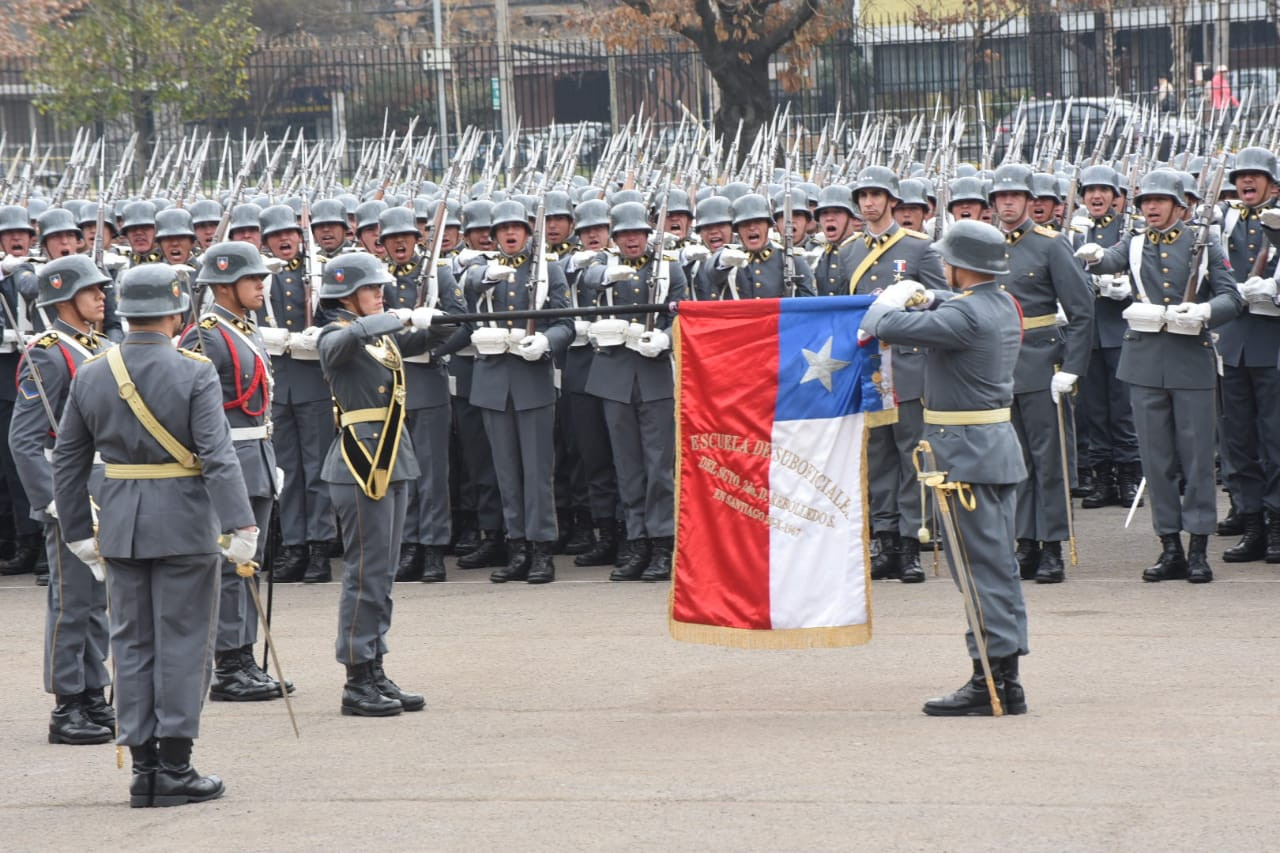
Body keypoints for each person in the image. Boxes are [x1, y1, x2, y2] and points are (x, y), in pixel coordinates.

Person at [52, 263, 257, 807]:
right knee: (184, 645)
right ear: (176, 310)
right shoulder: (193, 371)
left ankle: (143, 768)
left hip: (119, 524)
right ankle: (175, 766)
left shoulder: (93, 371)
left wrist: (77, 530)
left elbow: (69, 461)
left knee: (131, 644)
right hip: (186, 523)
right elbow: (217, 456)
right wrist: (241, 522)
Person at [860, 220, 1029, 716]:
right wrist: (928, 295)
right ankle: (1003, 678)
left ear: (960, 266)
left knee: (980, 573)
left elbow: (881, 324)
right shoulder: (999, 304)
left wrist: (892, 299)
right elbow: (950, 306)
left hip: (966, 457)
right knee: (997, 569)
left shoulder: (966, 318)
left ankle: (991, 683)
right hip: (989, 448)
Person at [1076, 169, 1243, 583]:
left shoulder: (1203, 244)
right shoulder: (1133, 244)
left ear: (1179, 206)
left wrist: (1205, 311)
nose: (1150, 208)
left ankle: (1198, 546)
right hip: (1146, 360)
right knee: (1157, 459)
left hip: (1190, 360)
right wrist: (1088, 250)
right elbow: (1107, 261)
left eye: (1159, 201)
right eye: (1144, 202)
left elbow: (1231, 297)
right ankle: (1169, 545)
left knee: (1198, 459)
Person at [315, 252, 446, 716]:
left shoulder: (382, 339)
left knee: (383, 575)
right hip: (360, 460)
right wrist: (396, 317)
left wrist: (444, 313)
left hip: (394, 458)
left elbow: (436, 336)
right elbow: (342, 342)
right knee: (364, 573)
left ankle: (374, 664)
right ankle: (355, 677)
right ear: (346, 294)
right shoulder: (336, 335)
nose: (381, 294)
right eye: (372, 289)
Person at [9, 255, 114, 745]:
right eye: (91, 290)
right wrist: (53, 500)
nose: (102, 296)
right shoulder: (48, 354)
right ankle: (67, 703)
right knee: (71, 601)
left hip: (104, 487)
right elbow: (25, 440)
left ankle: (94, 690)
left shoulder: (101, 346)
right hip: (69, 493)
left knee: (97, 601)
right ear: (64, 299)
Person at [181, 243, 289, 702]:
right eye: (253, 279)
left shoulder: (246, 328)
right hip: (227, 463)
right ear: (225, 285)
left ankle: (243, 655)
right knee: (231, 563)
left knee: (250, 563)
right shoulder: (204, 336)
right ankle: (229, 662)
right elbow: (188, 408)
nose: (262, 285)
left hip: (255, 456)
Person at [988, 163, 1094, 584]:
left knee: (1048, 461)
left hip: (1042, 364)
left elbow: (1083, 312)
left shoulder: (1051, 245)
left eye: (1015, 196)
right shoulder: (988, 246)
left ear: (1031, 201)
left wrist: (1071, 369)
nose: (1008, 202)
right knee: (1012, 462)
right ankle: (1024, 542)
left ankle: (1051, 546)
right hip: (999, 368)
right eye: (1001, 196)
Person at [460, 199, 574, 584]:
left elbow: (565, 322)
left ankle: (542, 548)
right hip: (492, 382)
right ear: (492, 236)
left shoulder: (548, 269)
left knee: (538, 471)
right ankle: (517, 546)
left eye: (517, 229)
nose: (510, 235)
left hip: (531, 381)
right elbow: (466, 298)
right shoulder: (480, 271)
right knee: (506, 472)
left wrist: (546, 340)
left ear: (528, 233)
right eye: (503, 230)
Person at [848, 165, 948, 584]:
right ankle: (884, 540)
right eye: (863, 197)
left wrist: (918, 297)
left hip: (906, 364)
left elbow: (947, 299)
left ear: (892, 200)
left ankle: (910, 543)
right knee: (876, 459)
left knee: (911, 455)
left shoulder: (920, 248)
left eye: (876, 195)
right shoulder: (849, 251)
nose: (869, 203)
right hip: (867, 367)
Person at [580, 201, 687, 581]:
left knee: (659, 465)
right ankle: (636, 540)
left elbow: (682, 312)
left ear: (647, 235)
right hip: (614, 375)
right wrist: (606, 276)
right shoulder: (600, 267)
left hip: (655, 373)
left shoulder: (669, 268)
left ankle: (662, 541)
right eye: (624, 235)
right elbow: (583, 281)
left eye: (638, 234)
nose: (632, 240)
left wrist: (665, 336)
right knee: (627, 466)